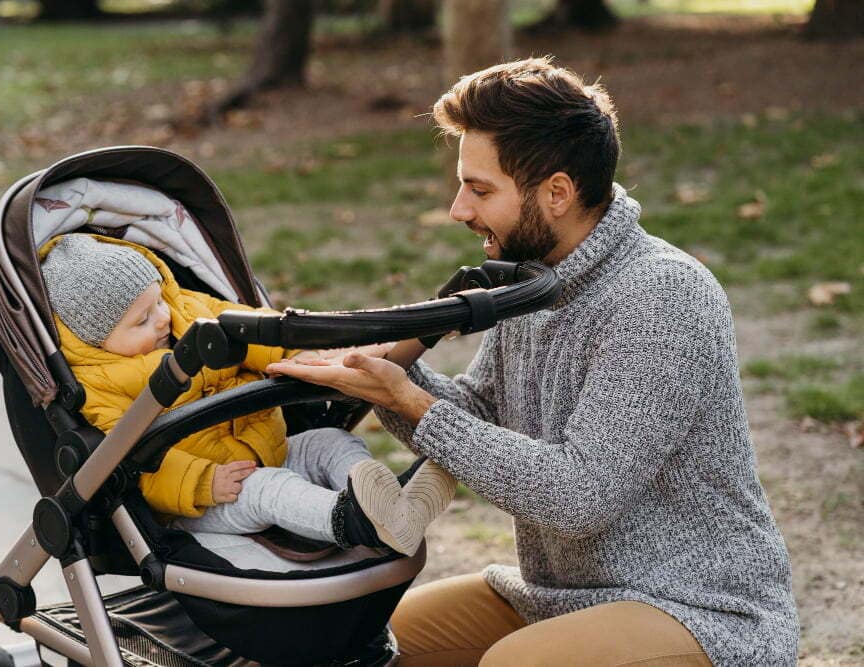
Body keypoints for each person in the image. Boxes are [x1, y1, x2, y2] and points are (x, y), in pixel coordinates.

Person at [266, 57, 799, 666]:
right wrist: (389, 378)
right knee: (365, 643)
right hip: (557, 597)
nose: (458, 210)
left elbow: (579, 496)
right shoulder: (534, 281)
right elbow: (478, 416)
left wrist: (410, 399)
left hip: (700, 614)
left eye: (481, 189)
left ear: (557, 193)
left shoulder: (662, 296)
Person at [39, 233, 455, 556]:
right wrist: (203, 482)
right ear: (96, 339)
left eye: (159, 302)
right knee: (269, 489)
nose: (163, 318)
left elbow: (252, 329)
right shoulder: (98, 385)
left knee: (331, 442)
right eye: (142, 320)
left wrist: (299, 352)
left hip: (266, 446)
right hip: (210, 495)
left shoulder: (187, 310)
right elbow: (129, 460)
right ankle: (354, 521)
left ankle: (392, 505)